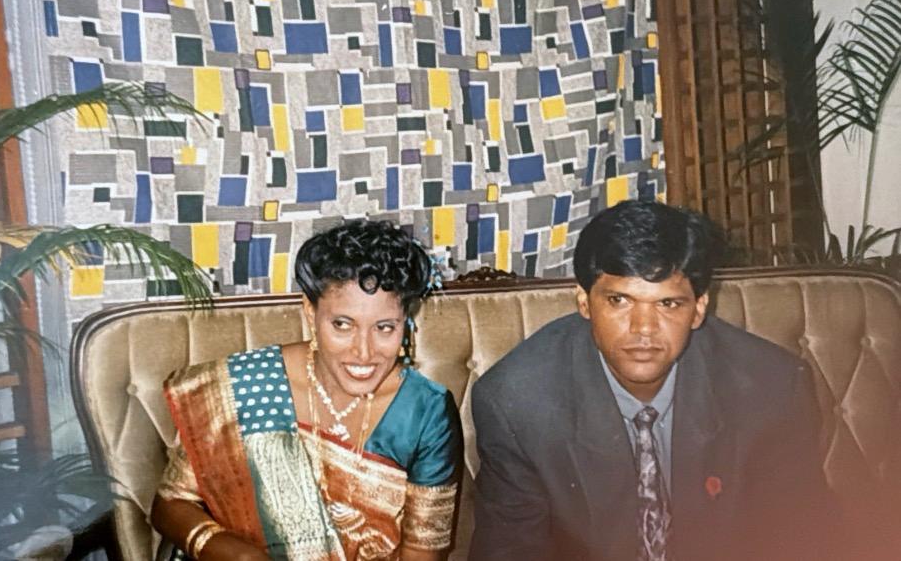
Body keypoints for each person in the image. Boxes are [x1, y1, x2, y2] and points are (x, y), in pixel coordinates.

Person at [469, 200, 838, 560]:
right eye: (619, 300)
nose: (643, 329)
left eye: (668, 304)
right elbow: (510, 550)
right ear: (584, 301)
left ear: (699, 308)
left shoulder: (772, 388)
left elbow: (800, 540)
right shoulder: (517, 402)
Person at [151, 219, 463, 560]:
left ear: (405, 322)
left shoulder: (426, 412)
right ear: (310, 311)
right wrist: (238, 555)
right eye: (342, 325)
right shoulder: (248, 387)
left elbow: (422, 552)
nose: (364, 352)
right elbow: (170, 504)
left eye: (385, 328)